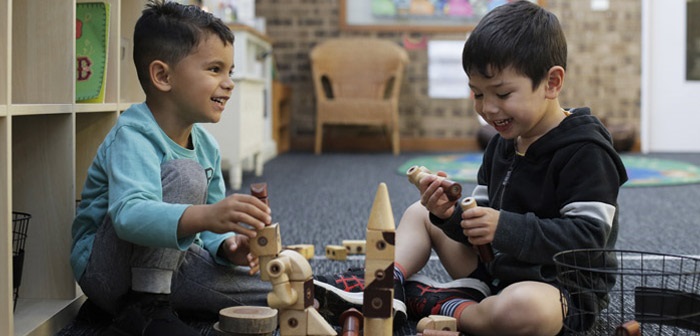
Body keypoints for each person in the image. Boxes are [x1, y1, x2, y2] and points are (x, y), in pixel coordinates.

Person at [314, 1, 628, 335]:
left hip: (557, 291)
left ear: (552, 83)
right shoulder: (502, 143)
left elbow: (588, 239)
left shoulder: (586, 151)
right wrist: (448, 215)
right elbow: (477, 231)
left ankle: (433, 302)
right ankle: (384, 286)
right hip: (493, 272)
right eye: (477, 93)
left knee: (524, 311)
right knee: (419, 213)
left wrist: (504, 226)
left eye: (503, 93)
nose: (488, 108)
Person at [70, 1, 273, 335]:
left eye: (230, 72)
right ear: (163, 76)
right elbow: (129, 215)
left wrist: (226, 244)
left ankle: (322, 289)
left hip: (170, 264)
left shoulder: (206, 145)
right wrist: (208, 215)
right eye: (214, 70)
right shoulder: (133, 134)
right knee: (185, 174)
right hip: (106, 271)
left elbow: (206, 231)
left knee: (268, 291)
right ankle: (146, 311)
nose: (229, 83)